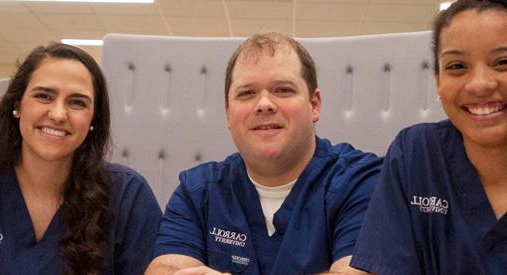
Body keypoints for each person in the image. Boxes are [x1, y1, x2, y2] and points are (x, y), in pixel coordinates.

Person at [351, 0, 507, 274]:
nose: (479, 84)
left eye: (503, 62)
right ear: (438, 79)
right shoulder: (416, 155)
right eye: (456, 66)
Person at [145, 33, 382, 274]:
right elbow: (165, 267)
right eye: (247, 93)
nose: (264, 104)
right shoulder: (198, 191)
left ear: (315, 105)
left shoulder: (362, 182)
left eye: (283, 90)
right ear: (228, 112)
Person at [0, 43, 162, 274]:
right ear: (17, 105)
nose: (58, 114)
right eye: (44, 96)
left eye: (77, 102)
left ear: (93, 119)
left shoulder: (127, 195)